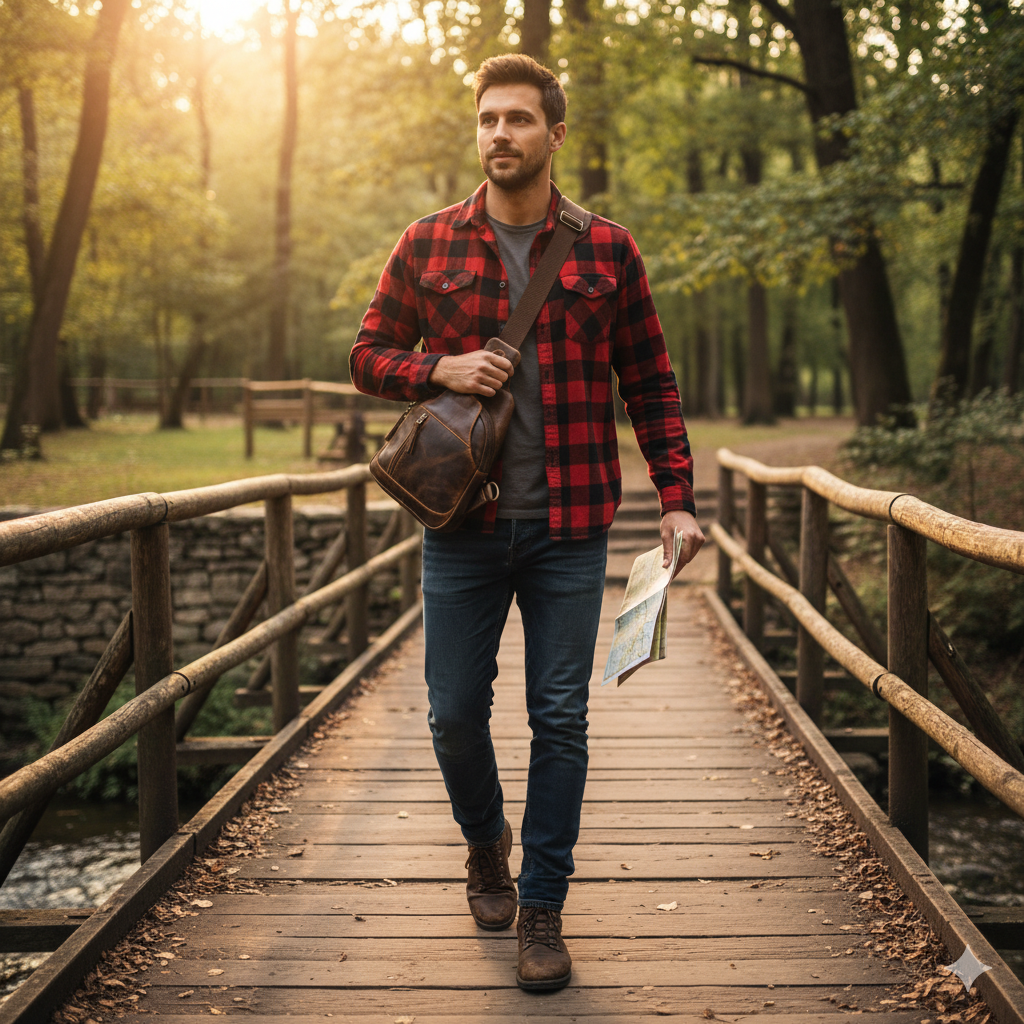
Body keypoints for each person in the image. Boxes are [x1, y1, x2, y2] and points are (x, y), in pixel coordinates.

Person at [350, 53, 703, 992]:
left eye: (517, 119)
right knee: (454, 716)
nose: (499, 134)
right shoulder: (427, 242)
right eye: (486, 119)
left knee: (561, 716)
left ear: (554, 133)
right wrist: (440, 369)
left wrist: (676, 499)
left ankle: (543, 905)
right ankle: (485, 845)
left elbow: (651, 384)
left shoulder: (607, 250)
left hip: (571, 528)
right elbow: (366, 353)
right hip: (459, 528)